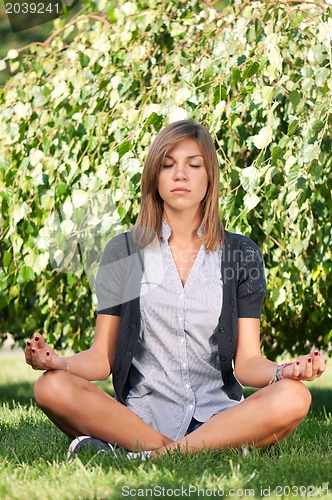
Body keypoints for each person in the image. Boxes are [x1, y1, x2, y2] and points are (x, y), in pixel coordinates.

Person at [25, 120, 326, 457]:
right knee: (51, 387)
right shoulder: (124, 251)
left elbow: (248, 363)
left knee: (295, 395)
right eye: (168, 165)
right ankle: (201, 450)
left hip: (219, 415)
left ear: (209, 175)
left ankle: (145, 453)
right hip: (140, 416)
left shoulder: (241, 254)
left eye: (193, 165)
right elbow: (100, 358)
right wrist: (57, 362)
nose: (180, 174)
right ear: (155, 176)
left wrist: (285, 371)